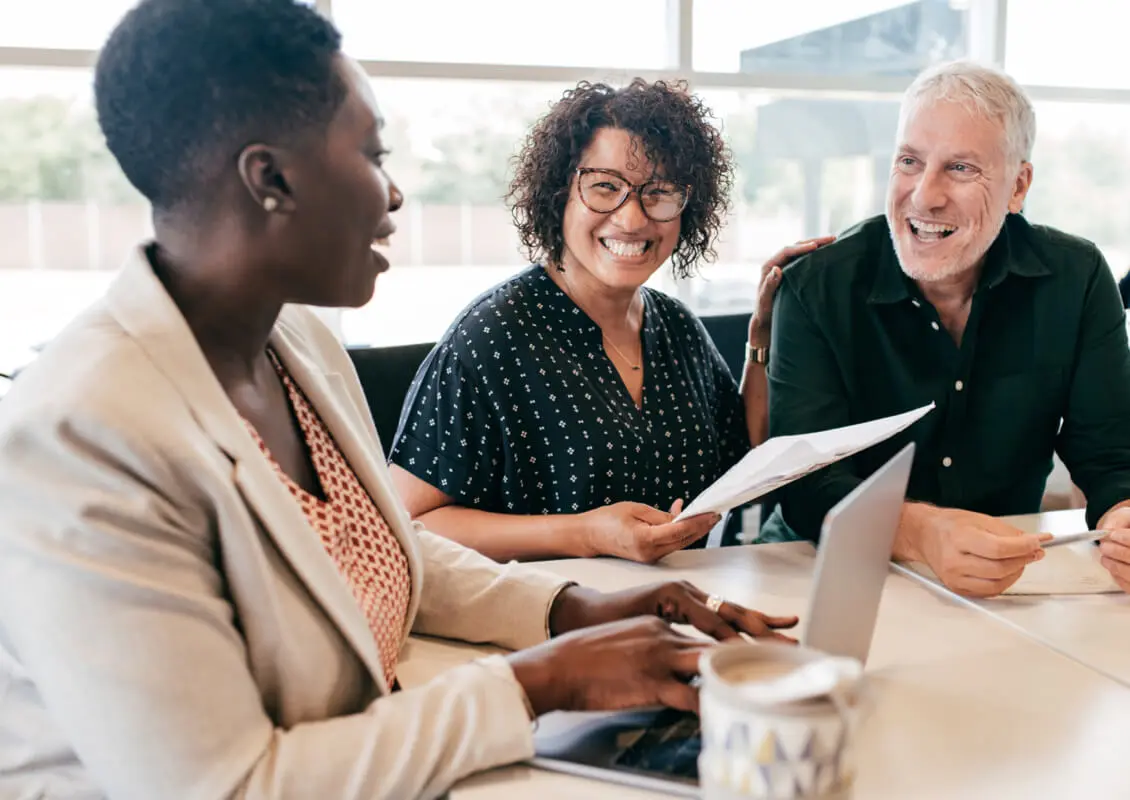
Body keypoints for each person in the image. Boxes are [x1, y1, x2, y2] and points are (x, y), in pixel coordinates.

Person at [0, 3, 800, 798]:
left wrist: (577, 608)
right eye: (371, 154)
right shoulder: (80, 436)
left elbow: (387, 549)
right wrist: (540, 683)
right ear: (270, 177)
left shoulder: (297, 344)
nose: (395, 196)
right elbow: (230, 786)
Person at [389, 78, 831, 563]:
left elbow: (745, 455)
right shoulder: (491, 338)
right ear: (560, 194)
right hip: (545, 620)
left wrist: (762, 335)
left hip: (679, 607)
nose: (633, 218)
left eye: (659, 193)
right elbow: (410, 523)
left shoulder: (676, 327)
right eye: (605, 187)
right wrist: (584, 534)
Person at [764, 59, 1130, 598]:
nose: (923, 196)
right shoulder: (814, 287)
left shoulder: (1077, 278)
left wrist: (1123, 516)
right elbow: (806, 483)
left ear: (1018, 186)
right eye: (909, 161)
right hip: (820, 564)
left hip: (1005, 578)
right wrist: (921, 532)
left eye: (960, 169)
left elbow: (1109, 455)